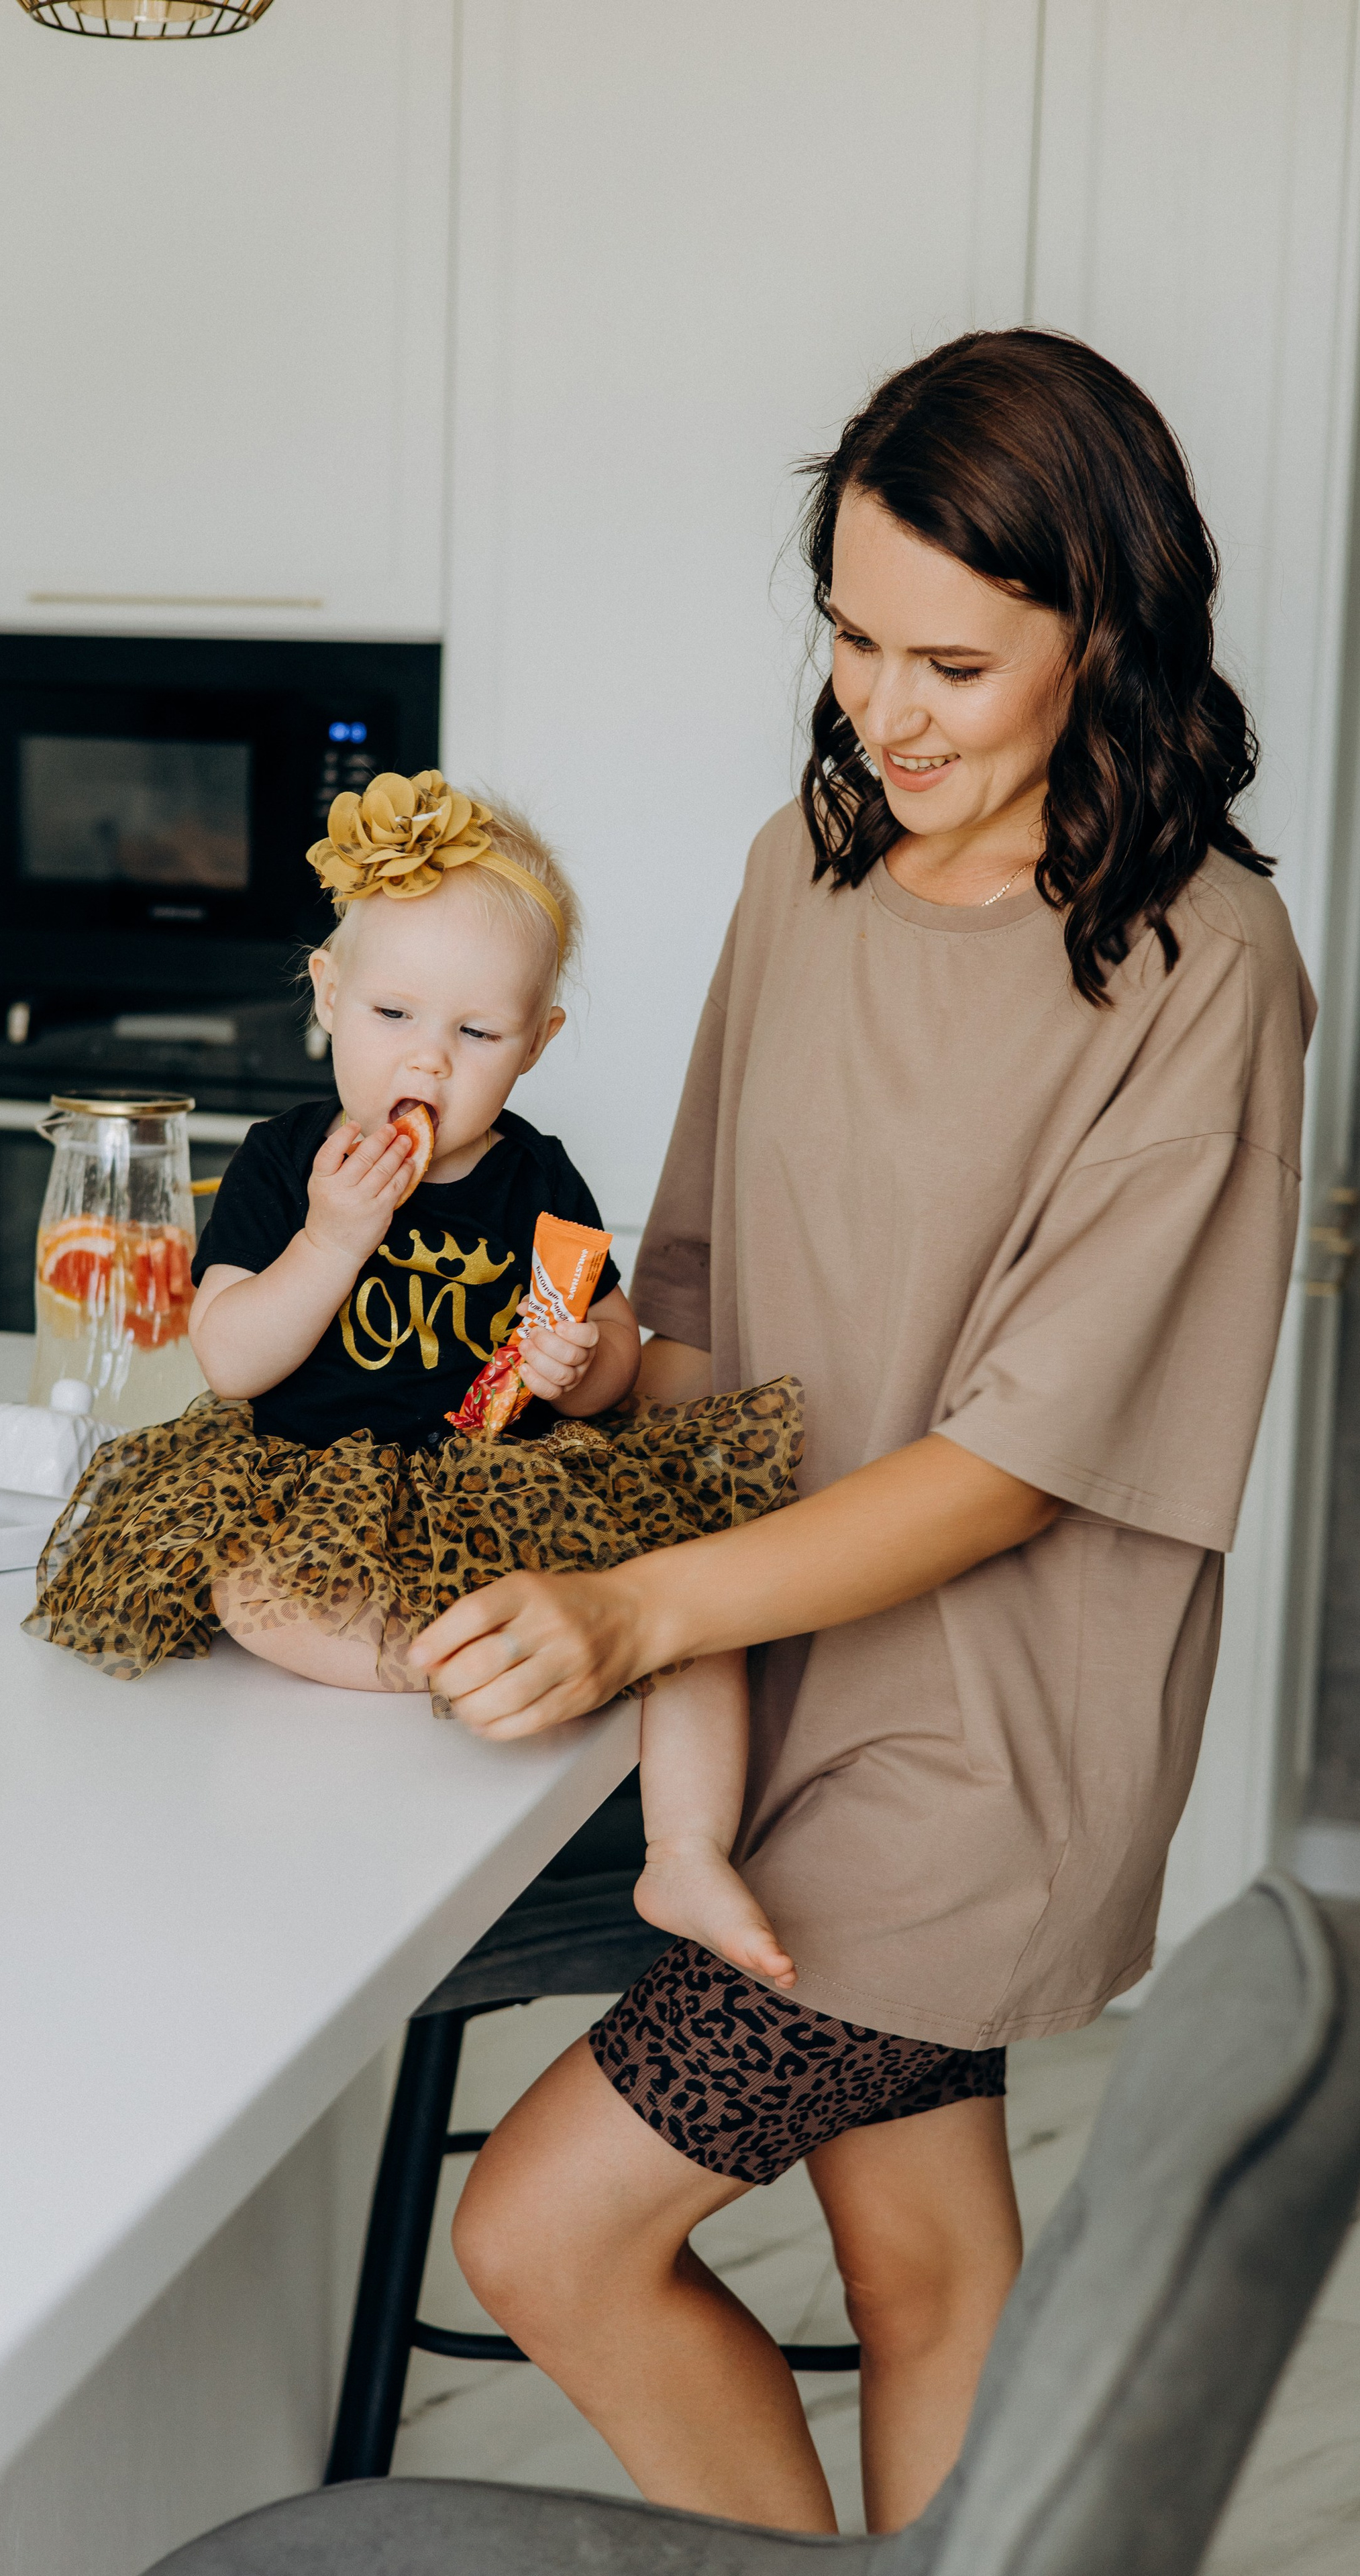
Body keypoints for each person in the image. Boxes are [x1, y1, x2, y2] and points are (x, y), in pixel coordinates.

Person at [410, 330, 1316, 2537]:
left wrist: (628, 1609)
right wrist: (598, 1367)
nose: (884, 712)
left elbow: (1015, 1462)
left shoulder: (1211, 966)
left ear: (1106, 634)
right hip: (774, 1698)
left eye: (954, 660)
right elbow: (708, 1295)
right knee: (928, 2272)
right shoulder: (795, 881)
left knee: (538, 2232)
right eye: (849, 637)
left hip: (979, 1764)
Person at [27, 771, 806, 1986]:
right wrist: (332, 1238)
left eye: (476, 1035)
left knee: (697, 1597)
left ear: (537, 1043)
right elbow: (230, 1355)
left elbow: (616, 1359)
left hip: (506, 1496)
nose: (429, 1065)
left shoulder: (541, 1179)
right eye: (393, 1015)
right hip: (306, 1490)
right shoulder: (292, 1160)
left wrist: (586, 1360)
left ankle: (689, 1845)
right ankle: (447, 1666)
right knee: (251, 1595)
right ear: (329, 998)